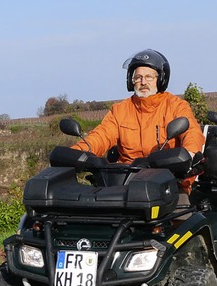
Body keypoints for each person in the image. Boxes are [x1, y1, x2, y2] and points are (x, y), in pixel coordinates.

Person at [70, 49, 205, 192]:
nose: (143, 82)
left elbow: (192, 132)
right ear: (131, 80)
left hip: (168, 182)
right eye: (138, 77)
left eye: (149, 77)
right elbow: (100, 136)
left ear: (160, 79)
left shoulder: (176, 106)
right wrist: (75, 154)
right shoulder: (120, 110)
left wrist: (189, 154)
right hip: (125, 184)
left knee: (182, 212)